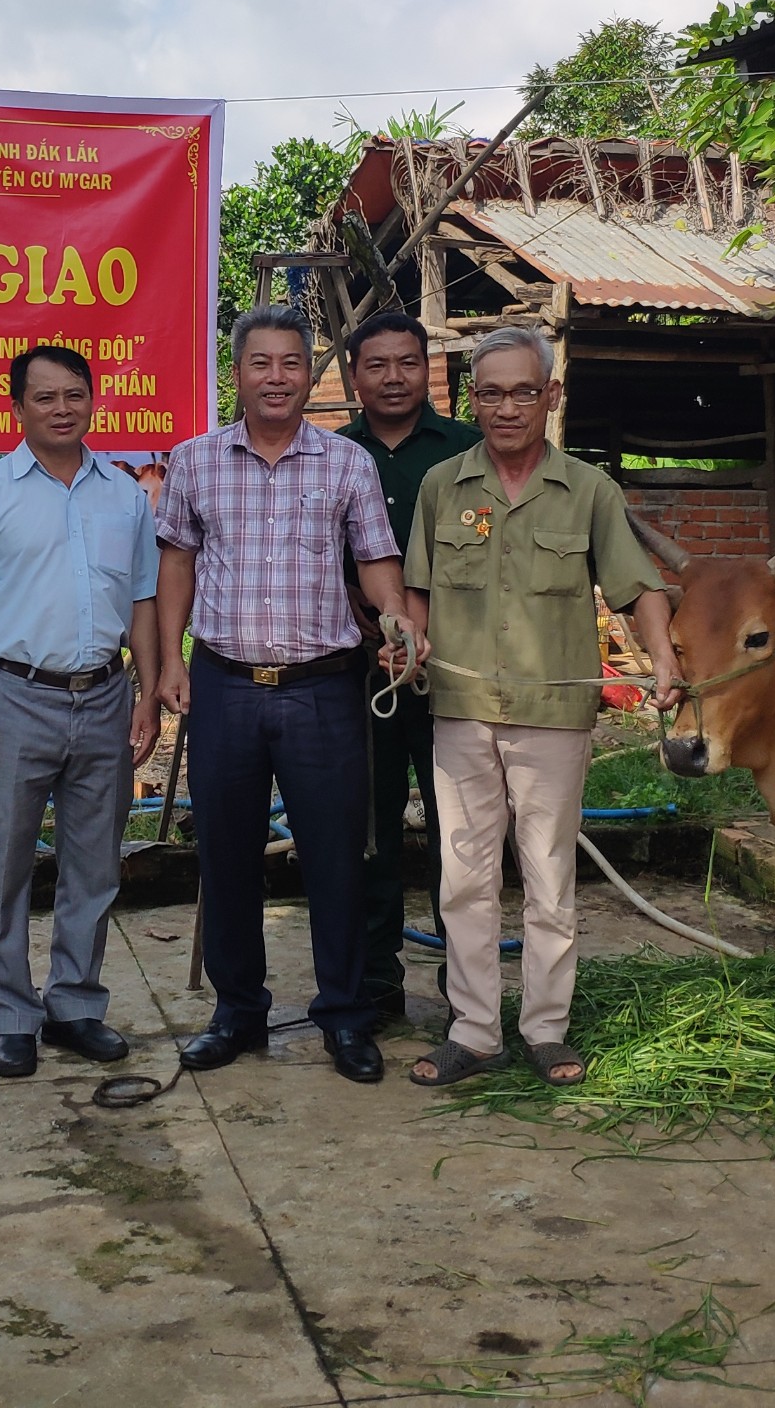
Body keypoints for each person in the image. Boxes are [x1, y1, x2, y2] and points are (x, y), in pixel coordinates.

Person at [398, 328, 680, 1088]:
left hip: (553, 718)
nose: (507, 407)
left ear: (551, 397)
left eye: (524, 391)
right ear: (472, 401)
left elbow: (639, 589)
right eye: (490, 392)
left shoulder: (589, 492)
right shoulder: (442, 487)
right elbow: (416, 596)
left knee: (549, 877)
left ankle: (546, 1029)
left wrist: (666, 663)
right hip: (460, 710)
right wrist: (407, 640)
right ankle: (474, 1030)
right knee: (463, 878)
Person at [154, 307, 411, 1085]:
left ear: (310, 373)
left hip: (322, 692)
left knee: (336, 860)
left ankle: (344, 1015)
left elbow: (375, 560)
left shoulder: (344, 464)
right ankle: (238, 1013)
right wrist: (169, 659)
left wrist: (397, 617)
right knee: (225, 856)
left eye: (291, 363)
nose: (276, 377)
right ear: (237, 374)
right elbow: (175, 568)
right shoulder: (195, 461)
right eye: (260, 363)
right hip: (226, 686)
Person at [0, 345, 162, 1079]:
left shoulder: (125, 496)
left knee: (94, 865)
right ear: (17, 407)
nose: (62, 409)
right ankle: (11, 1015)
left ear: (93, 400)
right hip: (14, 697)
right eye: (44, 398)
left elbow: (145, 601)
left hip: (105, 694)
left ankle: (75, 1006)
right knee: (2, 866)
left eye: (74, 395)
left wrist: (149, 688)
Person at [338, 309, 480, 1025]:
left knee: (464, 836)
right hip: (362, 681)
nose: (394, 378)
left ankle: (470, 991)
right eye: (377, 365)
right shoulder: (331, 456)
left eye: (407, 362)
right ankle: (376, 988)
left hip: (457, 678)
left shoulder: (471, 452)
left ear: (428, 368)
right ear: (353, 376)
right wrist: (367, 628)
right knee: (370, 833)